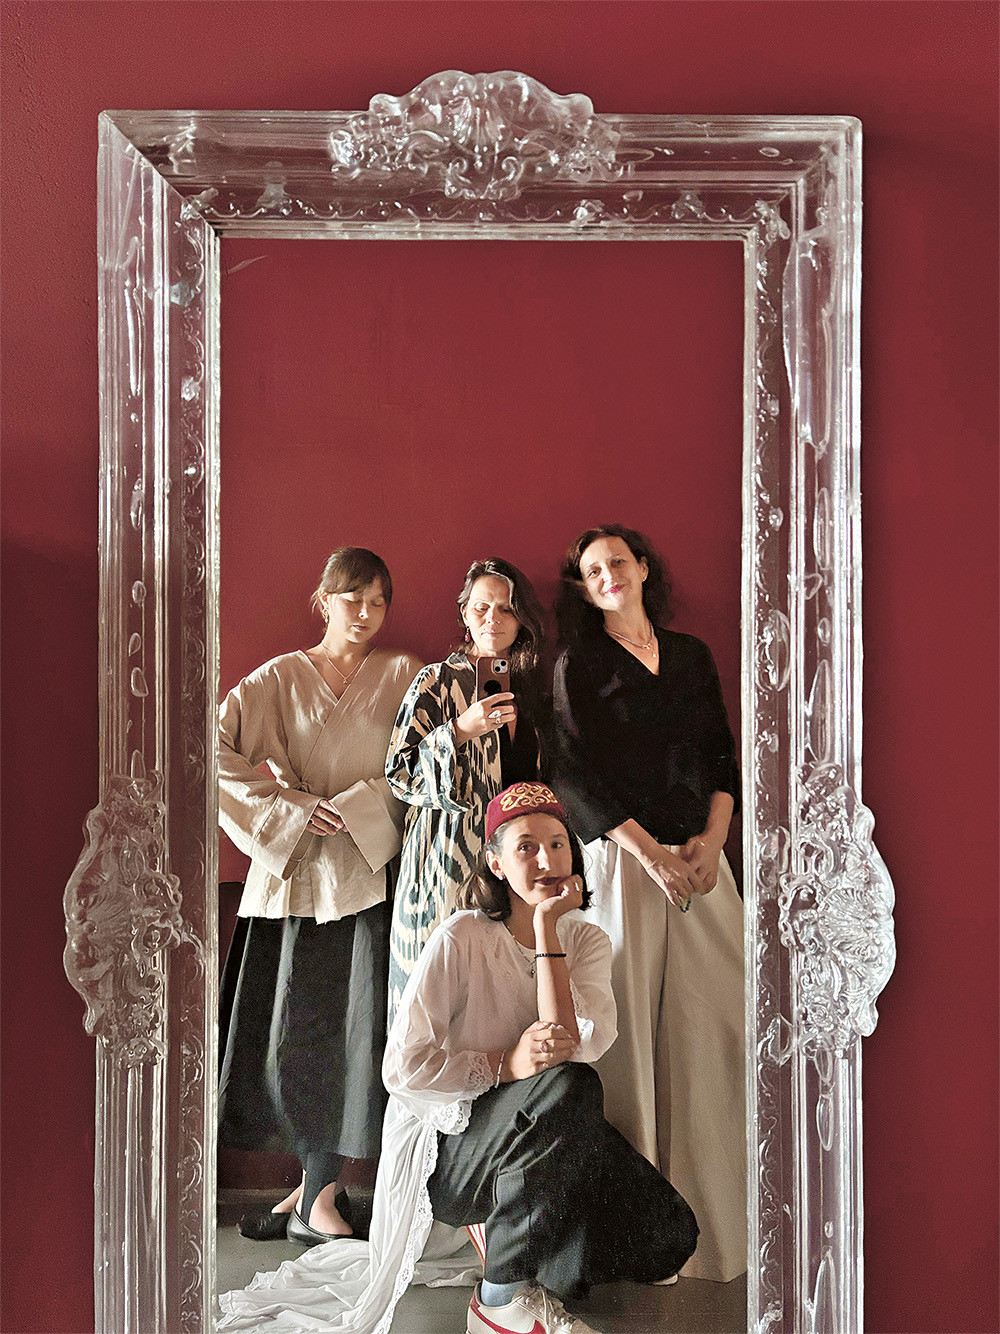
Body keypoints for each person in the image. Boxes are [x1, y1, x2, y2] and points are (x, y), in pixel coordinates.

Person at [218, 782, 698, 1334]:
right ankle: (498, 1299)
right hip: (450, 1152)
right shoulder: (461, 936)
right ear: (495, 863)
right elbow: (403, 1068)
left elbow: (569, 1041)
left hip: (538, 1125)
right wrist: (504, 1064)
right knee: (573, 1087)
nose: (547, 860)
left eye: (558, 844)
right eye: (526, 847)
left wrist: (546, 928)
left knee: (669, 1236)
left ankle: (523, 1241)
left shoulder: (585, 941)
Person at [551, 524, 746, 1283]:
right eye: (593, 569)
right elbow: (571, 773)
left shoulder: (691, 655)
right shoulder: (580, 663)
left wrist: (712, 841)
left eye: (618, 563)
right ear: (584, 586)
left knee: (720, 1023)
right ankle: (639, 1237)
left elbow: (722, 754)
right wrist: (648, 854)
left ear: (642, 569)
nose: (608, 576)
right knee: (625, 1037)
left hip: (699, 862)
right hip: (625, 863)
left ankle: (722, 1224)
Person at [217, 547, 422, 1246]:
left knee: (354, 1033)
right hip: (295, 877)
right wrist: (291, 808)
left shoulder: (404, 674)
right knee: (293, 1035)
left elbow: (428, 765)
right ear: (324, 599)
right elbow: (207, 748)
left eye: (377, 602)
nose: (364, 614)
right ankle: (313, 1190)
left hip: (365, 872)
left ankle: (319, 1191)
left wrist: (360, 808)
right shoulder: (279, 678)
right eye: (351, 599)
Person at [384, 557, 547, 1020]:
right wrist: (459, 730)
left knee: (501, 999)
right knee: (435, 994)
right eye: (481, 608)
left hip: (513, 864)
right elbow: (399, 772)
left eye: (506, 608)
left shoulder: (532, 690)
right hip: (444, 859)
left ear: (522, 618)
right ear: (465, 614)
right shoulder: (436, 680)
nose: (493, 619)